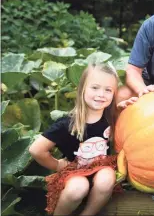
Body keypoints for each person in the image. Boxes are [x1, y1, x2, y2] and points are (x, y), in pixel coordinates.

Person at [29, 63, 137, 215]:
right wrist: (57, 165)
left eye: (108, 90)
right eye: (95, 88)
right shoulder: (67, 124)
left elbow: (126, 125)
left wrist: (126, 109)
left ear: (113, 94)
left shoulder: (109, 117)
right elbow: (36, 150)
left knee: (107, 178)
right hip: (75, 171)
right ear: (81, 90)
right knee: (77, 188)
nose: (101, 94)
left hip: (101, 166)